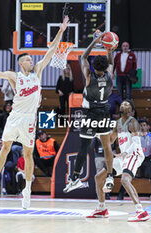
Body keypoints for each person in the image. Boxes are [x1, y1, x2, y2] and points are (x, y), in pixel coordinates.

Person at [0, 16, 70, 209]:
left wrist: (61, 31)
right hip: (15, 117)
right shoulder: (15, 76)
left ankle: (27, 190)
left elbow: (52, 50)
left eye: (31, 58)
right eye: (28, 59)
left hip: (30, 119)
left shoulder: (38, 70)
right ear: (22, 63)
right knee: (4, 149)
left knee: (28, 155)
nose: (32, 60)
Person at [63, 30, 115, 194]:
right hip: (105, 112)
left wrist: (95, 41)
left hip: (91, 114)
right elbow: (111, 63)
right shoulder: (109, 76)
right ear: (106, 67)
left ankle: (75, 178)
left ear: (93, 67)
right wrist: (109, 49)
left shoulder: (88, 75)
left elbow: (83, 57)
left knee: (84, 147)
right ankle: (110, 176)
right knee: (107, 146)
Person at [86, 100, 149, 222]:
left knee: (125, 180)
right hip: (123, 157)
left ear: (131, 110)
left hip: (134, 154)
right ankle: (102, 209)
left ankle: (141, 211)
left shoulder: (133, 122)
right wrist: (97, 134)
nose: (124, 105)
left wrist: (125, 153)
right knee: (98, 178)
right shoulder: (117, 124)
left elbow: (136, 143)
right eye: (123, 104)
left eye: (127, 104)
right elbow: (109, 141)